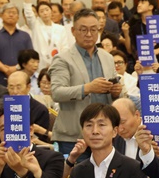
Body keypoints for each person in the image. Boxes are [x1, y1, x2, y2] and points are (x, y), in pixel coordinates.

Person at [49, 8, 124, 156]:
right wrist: (88, 88)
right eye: (83, 30)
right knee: (74, 177)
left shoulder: (107, 57)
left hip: (104, 135)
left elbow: (116, 94)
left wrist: (116, 92)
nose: (89, 34)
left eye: (93, 30)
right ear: (73, 31)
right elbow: (57, 92)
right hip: (74, 136)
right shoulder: (63, 59)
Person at [0, 3, 33, 86]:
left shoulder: (25, 36)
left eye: (14, 13)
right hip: (0, 79)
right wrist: (6, 70)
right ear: (2, 16)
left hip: (21, 78)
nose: (11, 15)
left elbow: (30, 57)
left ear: (18, 17)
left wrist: (16, 68)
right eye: (8, 12)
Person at [123, 0, 159, 64]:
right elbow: (130, 50)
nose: (139, 5)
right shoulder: (136, 25)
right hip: (143, 63)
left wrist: (158, 50)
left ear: (151, 7)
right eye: (138, 3)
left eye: (142, 3)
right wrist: (126, 33)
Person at [7, 71, 51, 144]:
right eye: (11, 87)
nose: (15, 92)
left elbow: (41, 140)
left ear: (28, 87)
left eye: (18, 87)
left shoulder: (40, 110)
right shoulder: (4, 108)